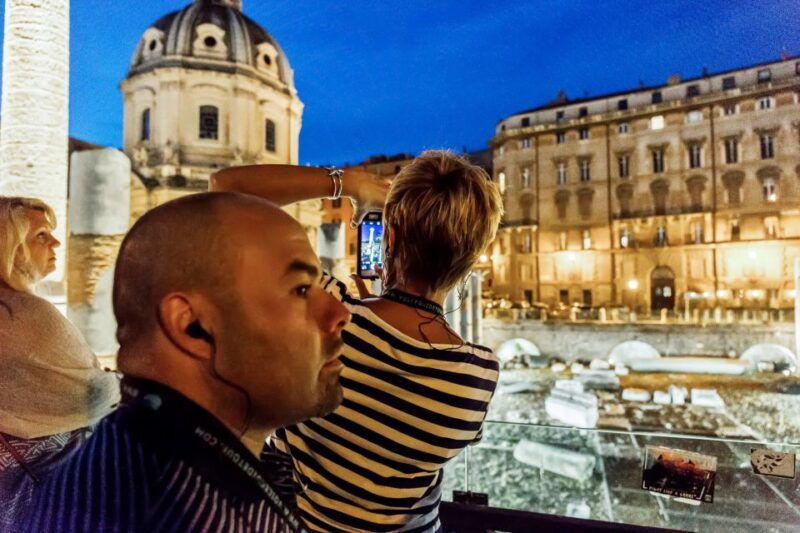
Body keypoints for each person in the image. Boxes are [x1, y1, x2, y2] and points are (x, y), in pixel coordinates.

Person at [21, 192, 351, 532]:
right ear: (193, 326)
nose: (341, 313)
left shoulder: (132, 452)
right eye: (300, 289)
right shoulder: (205, 515)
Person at [211, 150, 504, 532]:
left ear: (391, 237)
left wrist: (348, 183)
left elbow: (226, 189)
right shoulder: (476, 375)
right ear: (469, 260)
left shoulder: (324, 316)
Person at [0, 197, 119, 531]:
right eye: (40, 235)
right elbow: (93, 396)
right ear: (10, 247)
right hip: (46, 493)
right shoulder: (27, 314)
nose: (55, 242)